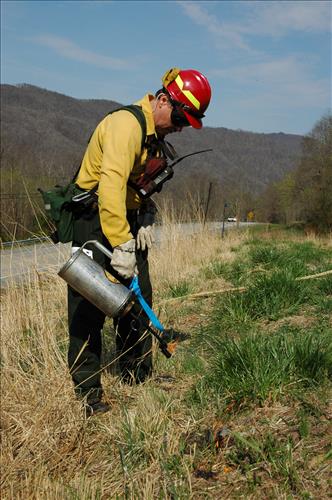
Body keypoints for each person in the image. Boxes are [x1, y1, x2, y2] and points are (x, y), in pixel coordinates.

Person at [67, 68, 211, 416]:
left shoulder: (154, 136)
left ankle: (137, 376)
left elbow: (138, 187)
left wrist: (145, 217)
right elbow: (112, 185)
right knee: (90, 307)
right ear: (163, 100)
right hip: (95, 221)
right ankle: (89, 396)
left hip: (124, 221)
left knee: (137, 299)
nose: (180, 127)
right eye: (179, 117)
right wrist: (121, 244)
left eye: (186, 123)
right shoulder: (125, 125)